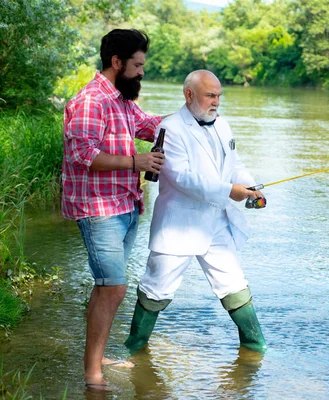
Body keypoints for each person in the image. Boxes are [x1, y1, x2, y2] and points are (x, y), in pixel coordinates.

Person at [124, 70, 267, 355]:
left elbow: (234, 165)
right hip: (179, 225)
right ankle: (134, 348)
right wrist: (229, 190)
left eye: (218, 96)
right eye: (210, 95)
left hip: (216, 221)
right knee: (156, 289)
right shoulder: (170, 128)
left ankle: (255, 347)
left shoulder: (223, 125)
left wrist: (251, 186)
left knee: (234, 284)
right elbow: (183, 178)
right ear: (189, 94)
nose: (216, 102)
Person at [62, 29, 167, 392]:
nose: (142, 72)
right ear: (117, 62)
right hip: (99, 210)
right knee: (114, 290)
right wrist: (136, 161)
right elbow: (84, 155)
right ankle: (92, 375)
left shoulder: (121, 99)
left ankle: (97, 356)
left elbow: (150, 124)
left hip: (124, 206)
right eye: (137, 65)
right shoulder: (93, 100)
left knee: (105, 287)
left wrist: (193, 110)